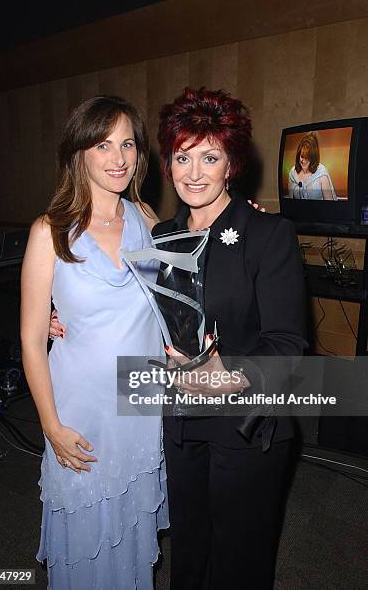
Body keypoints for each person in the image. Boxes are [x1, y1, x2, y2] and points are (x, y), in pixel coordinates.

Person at [153, 87, 308, 590]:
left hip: (245, 425)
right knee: (190, 552)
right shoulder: (162, 239)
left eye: (210, 157)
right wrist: (59, 317)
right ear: (168, 162)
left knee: (239, 558)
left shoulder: (268, 234)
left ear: (231, 164)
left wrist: (230, 375)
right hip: (182, 422)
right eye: (182, 157)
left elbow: (289, 344)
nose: (194, 172)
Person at [21, 95, 169, 590]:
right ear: (79, 153)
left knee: (129, 537)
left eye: (126, 144)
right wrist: (50, 426)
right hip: (79, 412)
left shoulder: (148, 218)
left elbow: (178, 299)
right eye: (103, 145)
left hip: (139, 405)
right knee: (85, 545)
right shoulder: (50, 231)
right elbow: (29, 337)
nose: (118, 158)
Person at [288, 132, 337, 200]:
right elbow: (290, 203)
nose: (303, 161)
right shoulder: (292, 173)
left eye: (307, 157)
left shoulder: (321, 172)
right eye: (302, 156)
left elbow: (329, 205)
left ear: (313, 157)